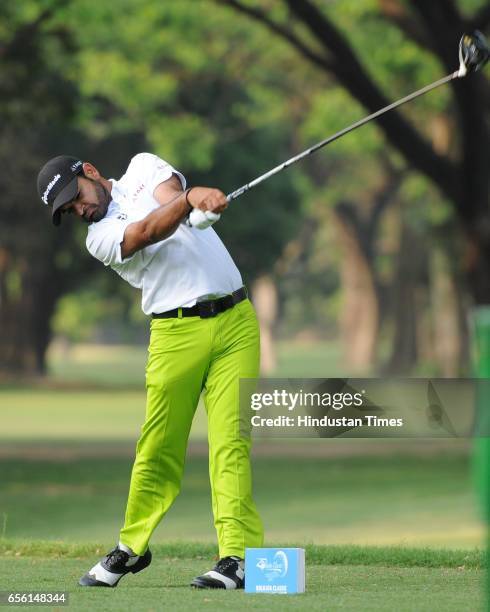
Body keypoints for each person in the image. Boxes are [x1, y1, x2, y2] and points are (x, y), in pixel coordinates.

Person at [36, 152, 264, 590]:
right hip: (174, 334)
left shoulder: (143, 167)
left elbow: (170, 197)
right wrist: (191, 203)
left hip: (237, 321)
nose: (79, 210)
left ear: (89, 172)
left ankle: (236, 558)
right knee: (159, 445)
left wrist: (197, 205)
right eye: (69, 211)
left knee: (230, 442)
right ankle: (131, 547)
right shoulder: (99, 237)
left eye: (75, 198)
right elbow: (146, 230)